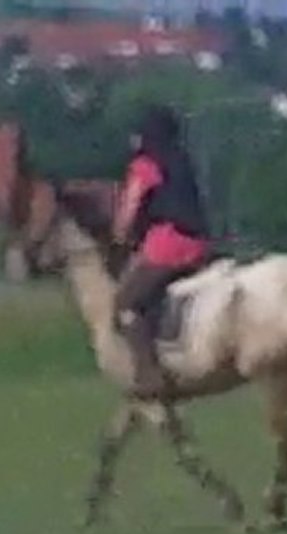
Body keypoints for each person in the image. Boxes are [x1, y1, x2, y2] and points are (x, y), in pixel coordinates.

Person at [112, 104, 213, 399]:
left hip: (168, 245)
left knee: (125, 304)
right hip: (201, 243)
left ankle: (148, 373)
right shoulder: (182, 159)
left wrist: (119, 237)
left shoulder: (146, 164)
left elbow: (129, 211)